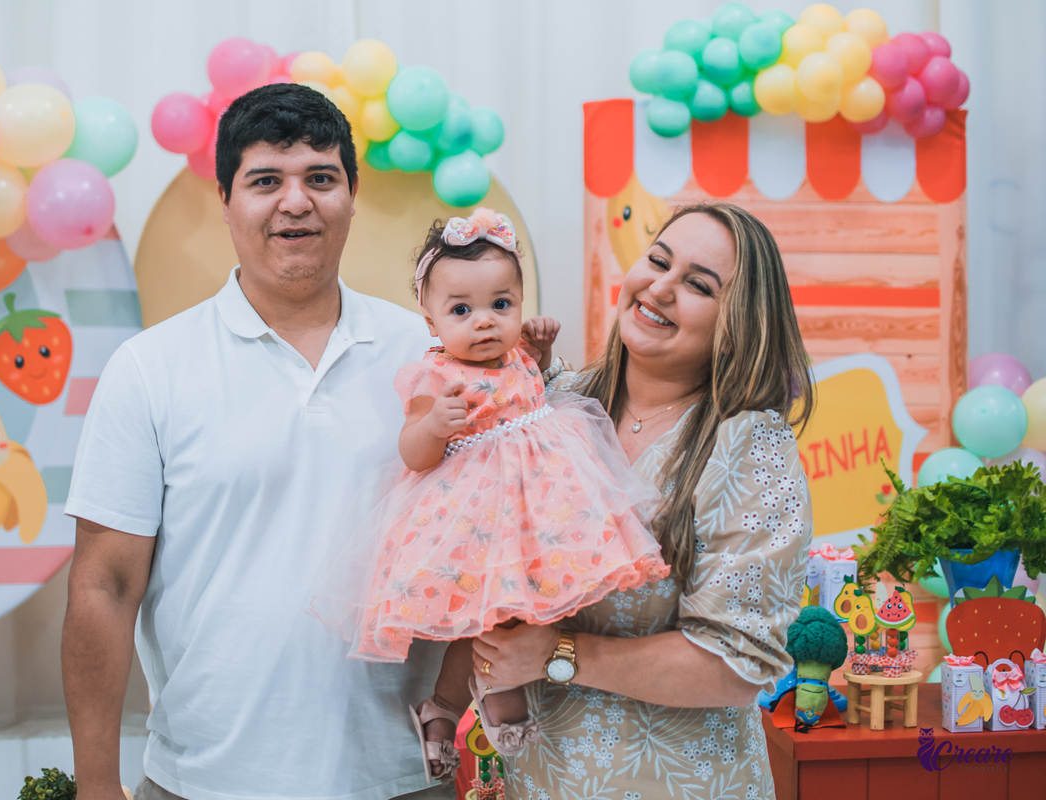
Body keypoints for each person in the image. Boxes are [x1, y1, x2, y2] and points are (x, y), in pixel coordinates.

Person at [61, 83, 449, 800]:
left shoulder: (427, 354)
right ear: (226, 199)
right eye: (266, 180)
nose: (295, 202)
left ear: (352, 196)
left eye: (320, 178)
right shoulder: (150, 368)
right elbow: (104, 586)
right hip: (201, 779)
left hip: (402, 777)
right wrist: (94, 784)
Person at [312, 209, 669, 786]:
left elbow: (532, 387)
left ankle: (446, 709)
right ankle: (486, 698)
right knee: (487, 618)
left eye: (501, 305)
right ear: (430, 320)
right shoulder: (434, 377)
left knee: (524, 609)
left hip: (539, 508)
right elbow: (413, 452)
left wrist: (542, 353)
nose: (484, 322)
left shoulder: (514, 356)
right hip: (475, 516)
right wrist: (435, 426)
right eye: (461, 310)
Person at [470, 203, 815, 799]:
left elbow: (738, 664)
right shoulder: (555, 402)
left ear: (738, 322)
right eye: (658, 261)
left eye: (698, 284)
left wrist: (558, 653)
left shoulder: (748, 444)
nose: (660, 287)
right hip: (540, 779)